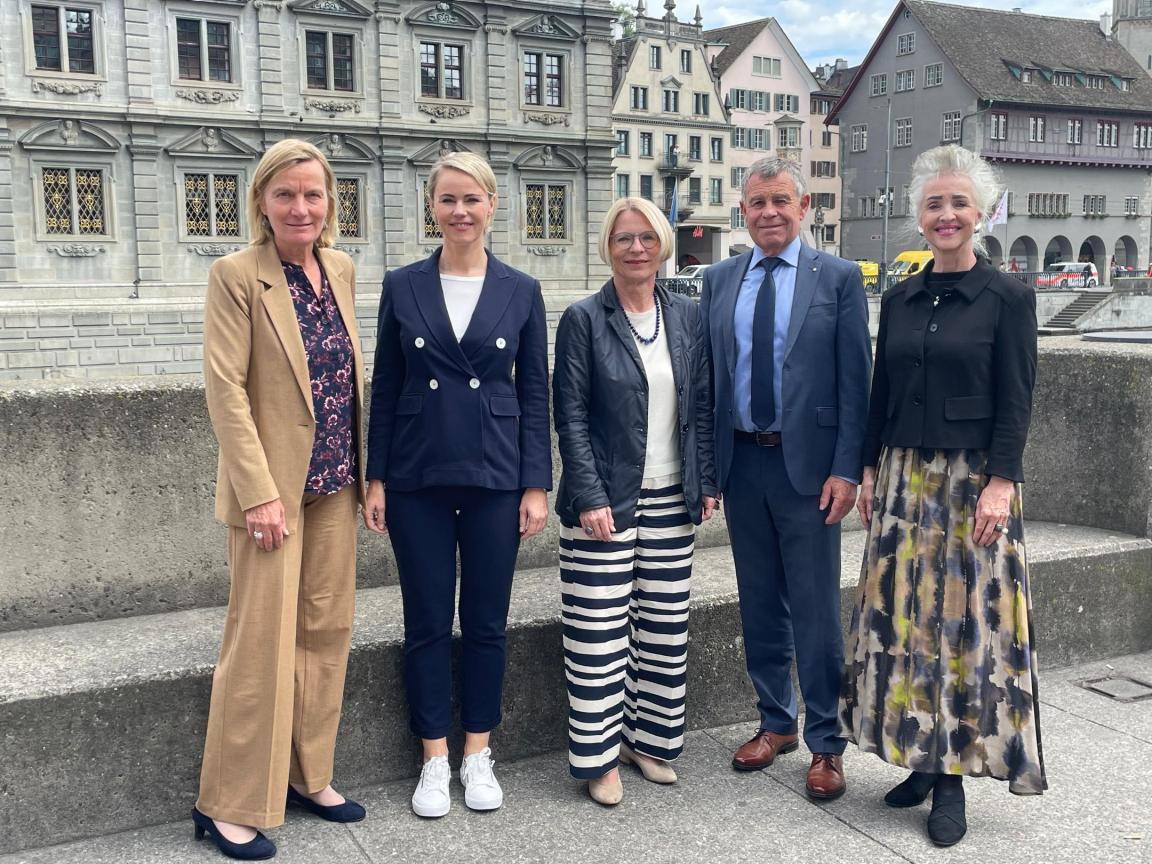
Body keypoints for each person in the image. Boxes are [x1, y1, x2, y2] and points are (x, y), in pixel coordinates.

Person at [841, 144, 1045, 848]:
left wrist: (1002, 481)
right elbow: (881, 394)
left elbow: (1018, 399)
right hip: (902, 481)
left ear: (982, 210)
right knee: (905, 625)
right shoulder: (899, 298)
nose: (947, 214)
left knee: (961, 633)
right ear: (918, 216)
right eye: (935, 204)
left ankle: (952, 774)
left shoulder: (1009, 297)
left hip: (971, 488)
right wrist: (867, 467)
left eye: (959, 202)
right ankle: (919, 756)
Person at [364, 152, 551, 818]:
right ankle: (433, 758)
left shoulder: (521, 290)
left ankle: (478, 753)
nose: (460, 211)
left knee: (486, 623)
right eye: (448, 200)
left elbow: (535, 394)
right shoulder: (403, 284)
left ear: (492, 205)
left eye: (472, 199)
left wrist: (537, 483)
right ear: (432, 207)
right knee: (424, 622)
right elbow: (385, 387)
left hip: (497, 474)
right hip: (416, 473)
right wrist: (376, 476)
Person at [196, 139, 367, 860]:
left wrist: (370, 473)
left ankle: (307, 775)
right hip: (272, 494)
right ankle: (226, 804)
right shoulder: (236, 275)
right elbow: (225, 390)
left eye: (313, 194)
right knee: (260, 644)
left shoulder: (342, 269)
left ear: (330, 203)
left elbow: (354, 377)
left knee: (325, 637)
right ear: (262, 201)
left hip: (334, 484)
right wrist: (258, 491)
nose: (301, 207)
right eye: (286, 194)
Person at [698, 157, 871, 800]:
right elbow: (709, 384)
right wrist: (709, 472)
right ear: (742, 213)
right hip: (744, 463)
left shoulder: (839, 278)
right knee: (759, 601)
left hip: (811, 472)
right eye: (755, 203)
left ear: (804, 207)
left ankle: (827, 741)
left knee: (818, 611)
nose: (768, 212)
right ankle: (777, 722)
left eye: (779, 201)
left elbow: (857, 383)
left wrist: (846, 469)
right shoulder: (718, 280)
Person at [553, 197, 719, 806]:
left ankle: (648, 741)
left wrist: (705, 482)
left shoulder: (686, 316)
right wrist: (591, 494)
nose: (636, 248)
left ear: (663, 243)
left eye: (646, 236)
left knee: (664, 628)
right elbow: (568, 418)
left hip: (674, 495)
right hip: (606, 501)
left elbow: (700, 406)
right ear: (607, 246)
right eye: (623, 238)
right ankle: (597, 758)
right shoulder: (583, 319)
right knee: (597, 634)